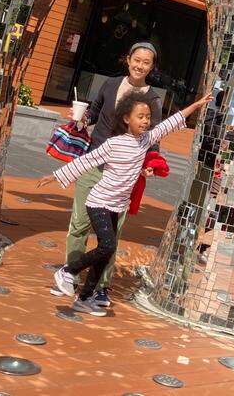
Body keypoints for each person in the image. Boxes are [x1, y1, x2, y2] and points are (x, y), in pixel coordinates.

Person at [39, 94, 209, 315]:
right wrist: (55, 175)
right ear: (127, 119)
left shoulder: (147, 139)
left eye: (148, 117)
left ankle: (84, 299)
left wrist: (195, 105)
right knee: (107, 246)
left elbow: (170, 123)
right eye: (140, 116)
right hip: (99, 201)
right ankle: (68, 271)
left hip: (117, 205)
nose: (146, 121)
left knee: (106, 252)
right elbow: (86, 161)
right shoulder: (113, 143)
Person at [62, 42, 163, 308]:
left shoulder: (152, 99)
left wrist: (150, 163)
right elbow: (93, 114)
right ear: (128, 59)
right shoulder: (110, 84)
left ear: (152, 67)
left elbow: (154, 138)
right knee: (79, 224)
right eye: (137, 60)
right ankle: (69, 274)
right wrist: (80, 118)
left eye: (146, 62)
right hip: (94, 163)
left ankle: (101, 286)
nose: (140, 65)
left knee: (111, 235)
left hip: (123, 173)